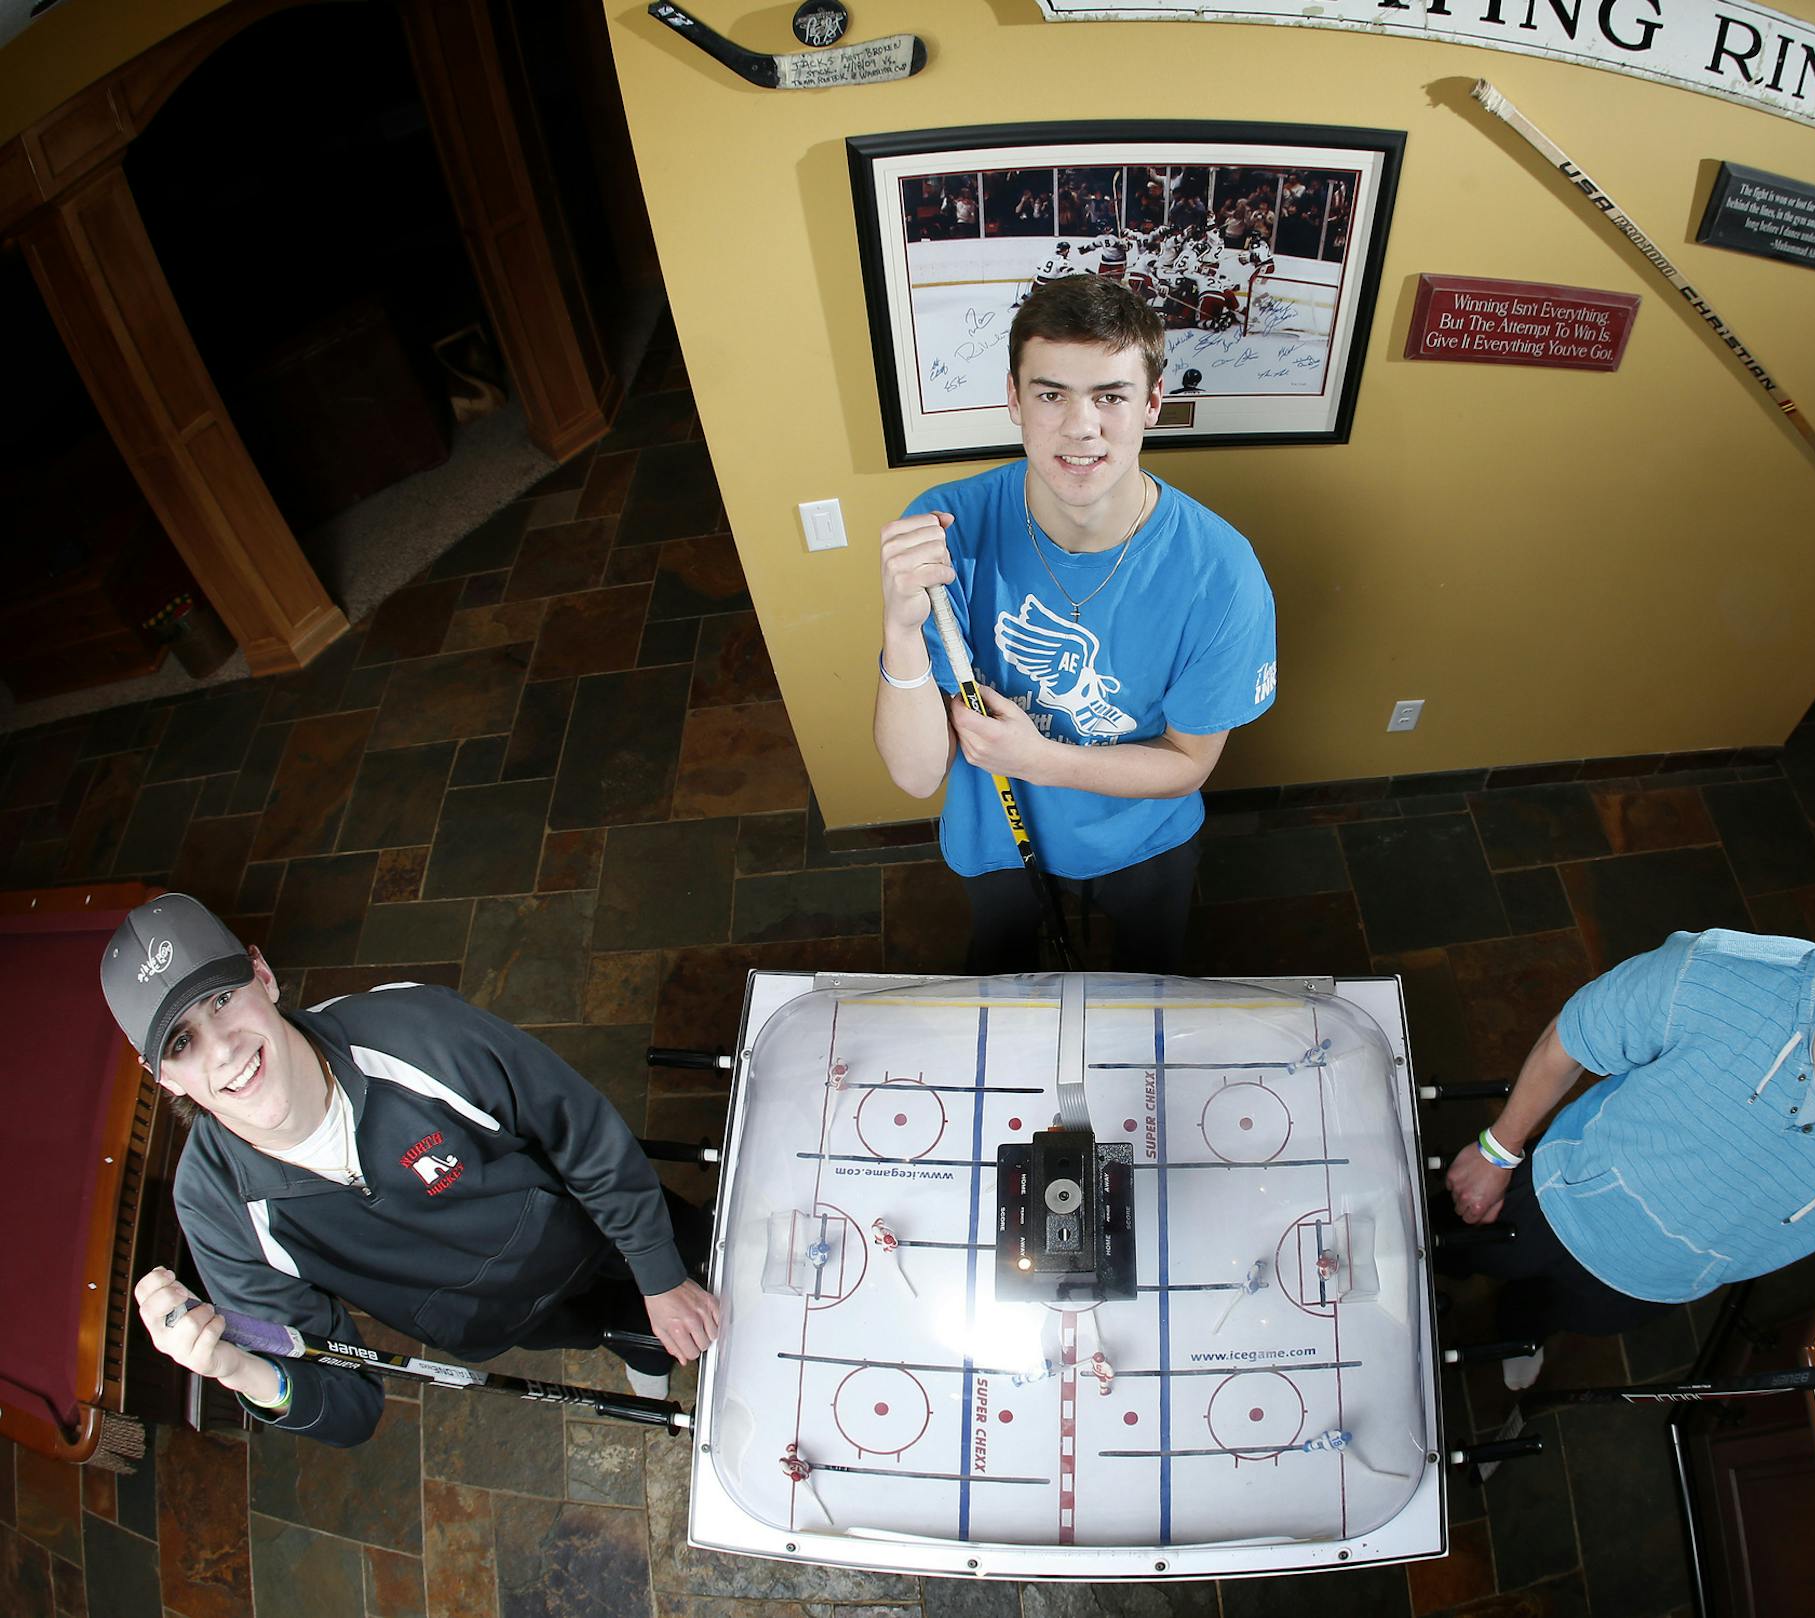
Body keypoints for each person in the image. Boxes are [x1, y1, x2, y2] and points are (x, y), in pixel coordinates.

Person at [1442, 825, 1815, 1412]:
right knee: (1448, 1251)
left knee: (1551, 1314)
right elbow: (1571, 1040)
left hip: (1647, 1288)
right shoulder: (1715, 972)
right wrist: (1499, 1150)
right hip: (1552, 1197)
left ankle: (1524, 1328)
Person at [104, 895, 722, 1446]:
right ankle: (634, 1344)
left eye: (221, 998)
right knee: (597, 1327)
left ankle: (655, 1299)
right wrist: (238, 1370)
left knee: (700, 1262)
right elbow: (351, 1404)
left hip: (590, 1221)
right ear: (158, 1074)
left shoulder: (412, 1029)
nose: (223, 1049)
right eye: (181, 1042)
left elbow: (578, 1129)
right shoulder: (213, 1207)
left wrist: (660, 1275)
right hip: (496, 1319)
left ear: (261, 975)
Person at [874, 275, 1277, 974]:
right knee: (997, 994)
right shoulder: (948, 526)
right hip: (999, 837)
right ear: (1014, 399)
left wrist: (1040, 761)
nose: (1080, 426)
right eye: (1051, 394)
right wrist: (901, 632)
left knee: (1151, 997)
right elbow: (914, 776)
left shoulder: (1222, 571)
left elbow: (1188, 764)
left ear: (1152, 403)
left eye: (1110, 397)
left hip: (1144, 840)